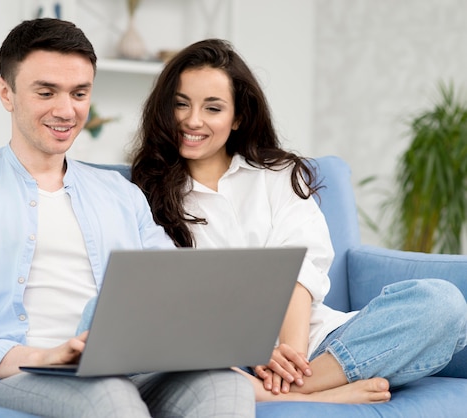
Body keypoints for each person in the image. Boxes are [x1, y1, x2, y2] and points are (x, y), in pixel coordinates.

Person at [0, 20, 256, 417]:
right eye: (46, 92)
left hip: (130, 368)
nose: (65, 110)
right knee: (107, 396)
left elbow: (175, 290)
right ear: (6, 92)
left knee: (224, 384)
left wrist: (212, 340)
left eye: (79, 93)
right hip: (22, 372)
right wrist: (43, 355)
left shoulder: (121, 194)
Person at [129, 38, 467, 404]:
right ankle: (324, 392)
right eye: (181, 104)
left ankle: (300, 390)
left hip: (318, 348)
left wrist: (292, 357)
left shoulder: (277, 175)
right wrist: (251, 351)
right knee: (180, 365)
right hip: (219, 357)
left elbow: (301, 266)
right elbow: (169, 302)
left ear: (239, 117)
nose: (192, 120)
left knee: (442, 303)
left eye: (213, 108)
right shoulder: (142, 193)